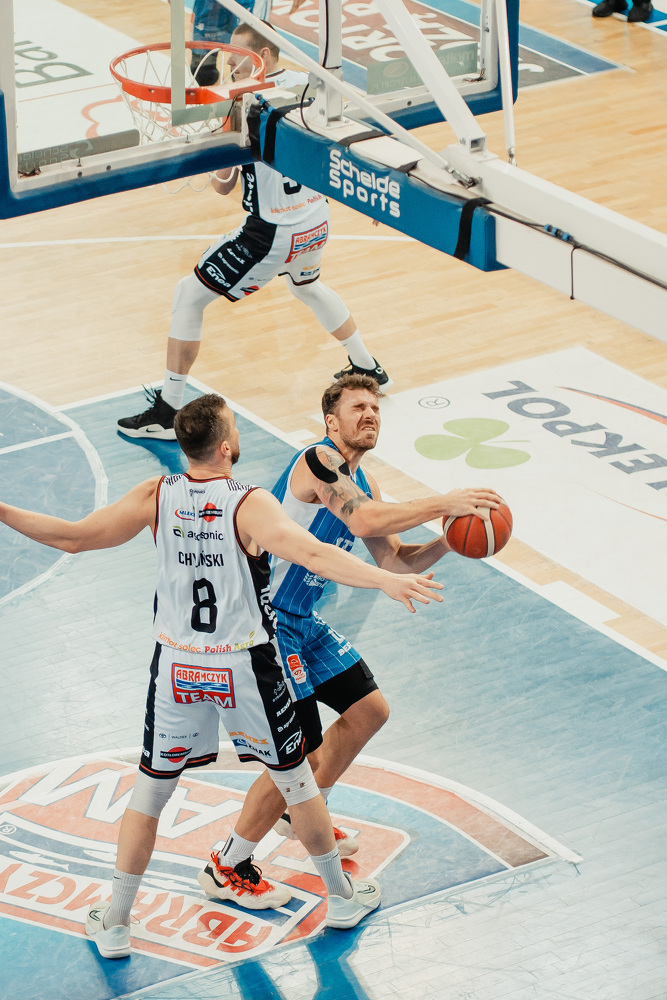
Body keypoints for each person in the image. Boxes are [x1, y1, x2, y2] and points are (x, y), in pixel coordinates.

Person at [0, 392, 444, 958]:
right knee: (297, 782)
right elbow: (313, 554)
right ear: (228, 447)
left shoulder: (155, 494)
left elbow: (73, 536)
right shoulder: (249, 503)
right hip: (243, 663)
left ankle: (114, 921)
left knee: (150, 793)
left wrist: (3, 509)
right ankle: (341, 897)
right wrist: (386, 580)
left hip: (177, 665)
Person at [194, 373, 503, 880]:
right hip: (263, 619)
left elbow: (397, 563)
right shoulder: (317, 460)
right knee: (298, 758)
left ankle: (302, 813)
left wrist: (452, 538)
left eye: (375, 408)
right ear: (330, 421)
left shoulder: (367, 485)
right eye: (357, 407)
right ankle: (227, 863)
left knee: (368, 711)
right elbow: (361, 521)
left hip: (302, 618)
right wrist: (444, 503)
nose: (370, 414)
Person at [118, 23, 390, 442]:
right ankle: (367, 365)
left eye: (238, 53)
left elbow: (223, 185)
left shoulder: (242, 100)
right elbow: (350, 136)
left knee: (187, 295)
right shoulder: (309, 84)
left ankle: (168, 411)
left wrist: (214, 146)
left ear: (262, 54)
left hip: (271, 234)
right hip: (316, 220)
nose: (229, 60)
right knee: (307, 287)